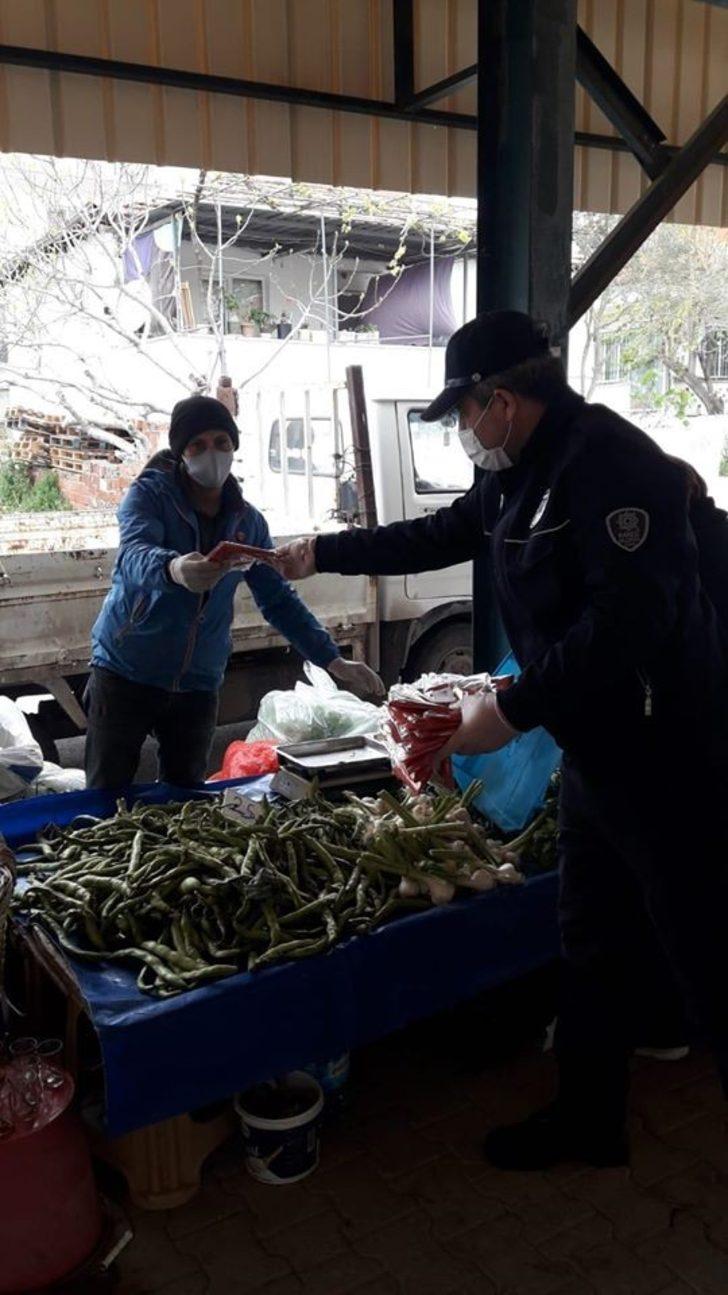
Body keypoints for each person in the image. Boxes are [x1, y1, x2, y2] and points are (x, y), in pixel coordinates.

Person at [264, 311, 728, 1171]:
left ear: (501, 402)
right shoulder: (519, 474)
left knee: (703, 944)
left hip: (666, 756)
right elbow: (437, 533)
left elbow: (629, 622)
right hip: (597, 752)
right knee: (589, 935)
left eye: (464, 414)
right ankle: (590, 1121)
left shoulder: (611, 466)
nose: (464, 433)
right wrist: (318, 552)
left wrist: (510, 710)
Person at [85, 394, 383, 789]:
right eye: (198, 445)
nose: (212, 453)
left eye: (221, 442)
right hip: (127, 671)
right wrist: (173, 568)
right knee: (106, 795)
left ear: (234, 447)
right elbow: (133, 557)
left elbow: (277, 600)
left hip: (198, 683)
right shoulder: (148, 497)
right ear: (181, 453)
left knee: (185, 797)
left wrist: (332, 659)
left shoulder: (248, 522)